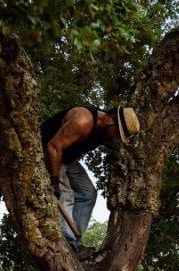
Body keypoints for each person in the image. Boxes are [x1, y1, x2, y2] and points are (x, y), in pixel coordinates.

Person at [41, 105, 141, 249]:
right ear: (110, 120)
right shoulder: (83, 121)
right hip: (50, 153)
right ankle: (67, 241)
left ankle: (74, 238)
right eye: (118, 134)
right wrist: (54, 180)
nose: (116, 139)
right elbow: (53, 146)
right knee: (66, 195)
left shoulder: (104, 131)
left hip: (67, 158)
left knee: (88, 193)